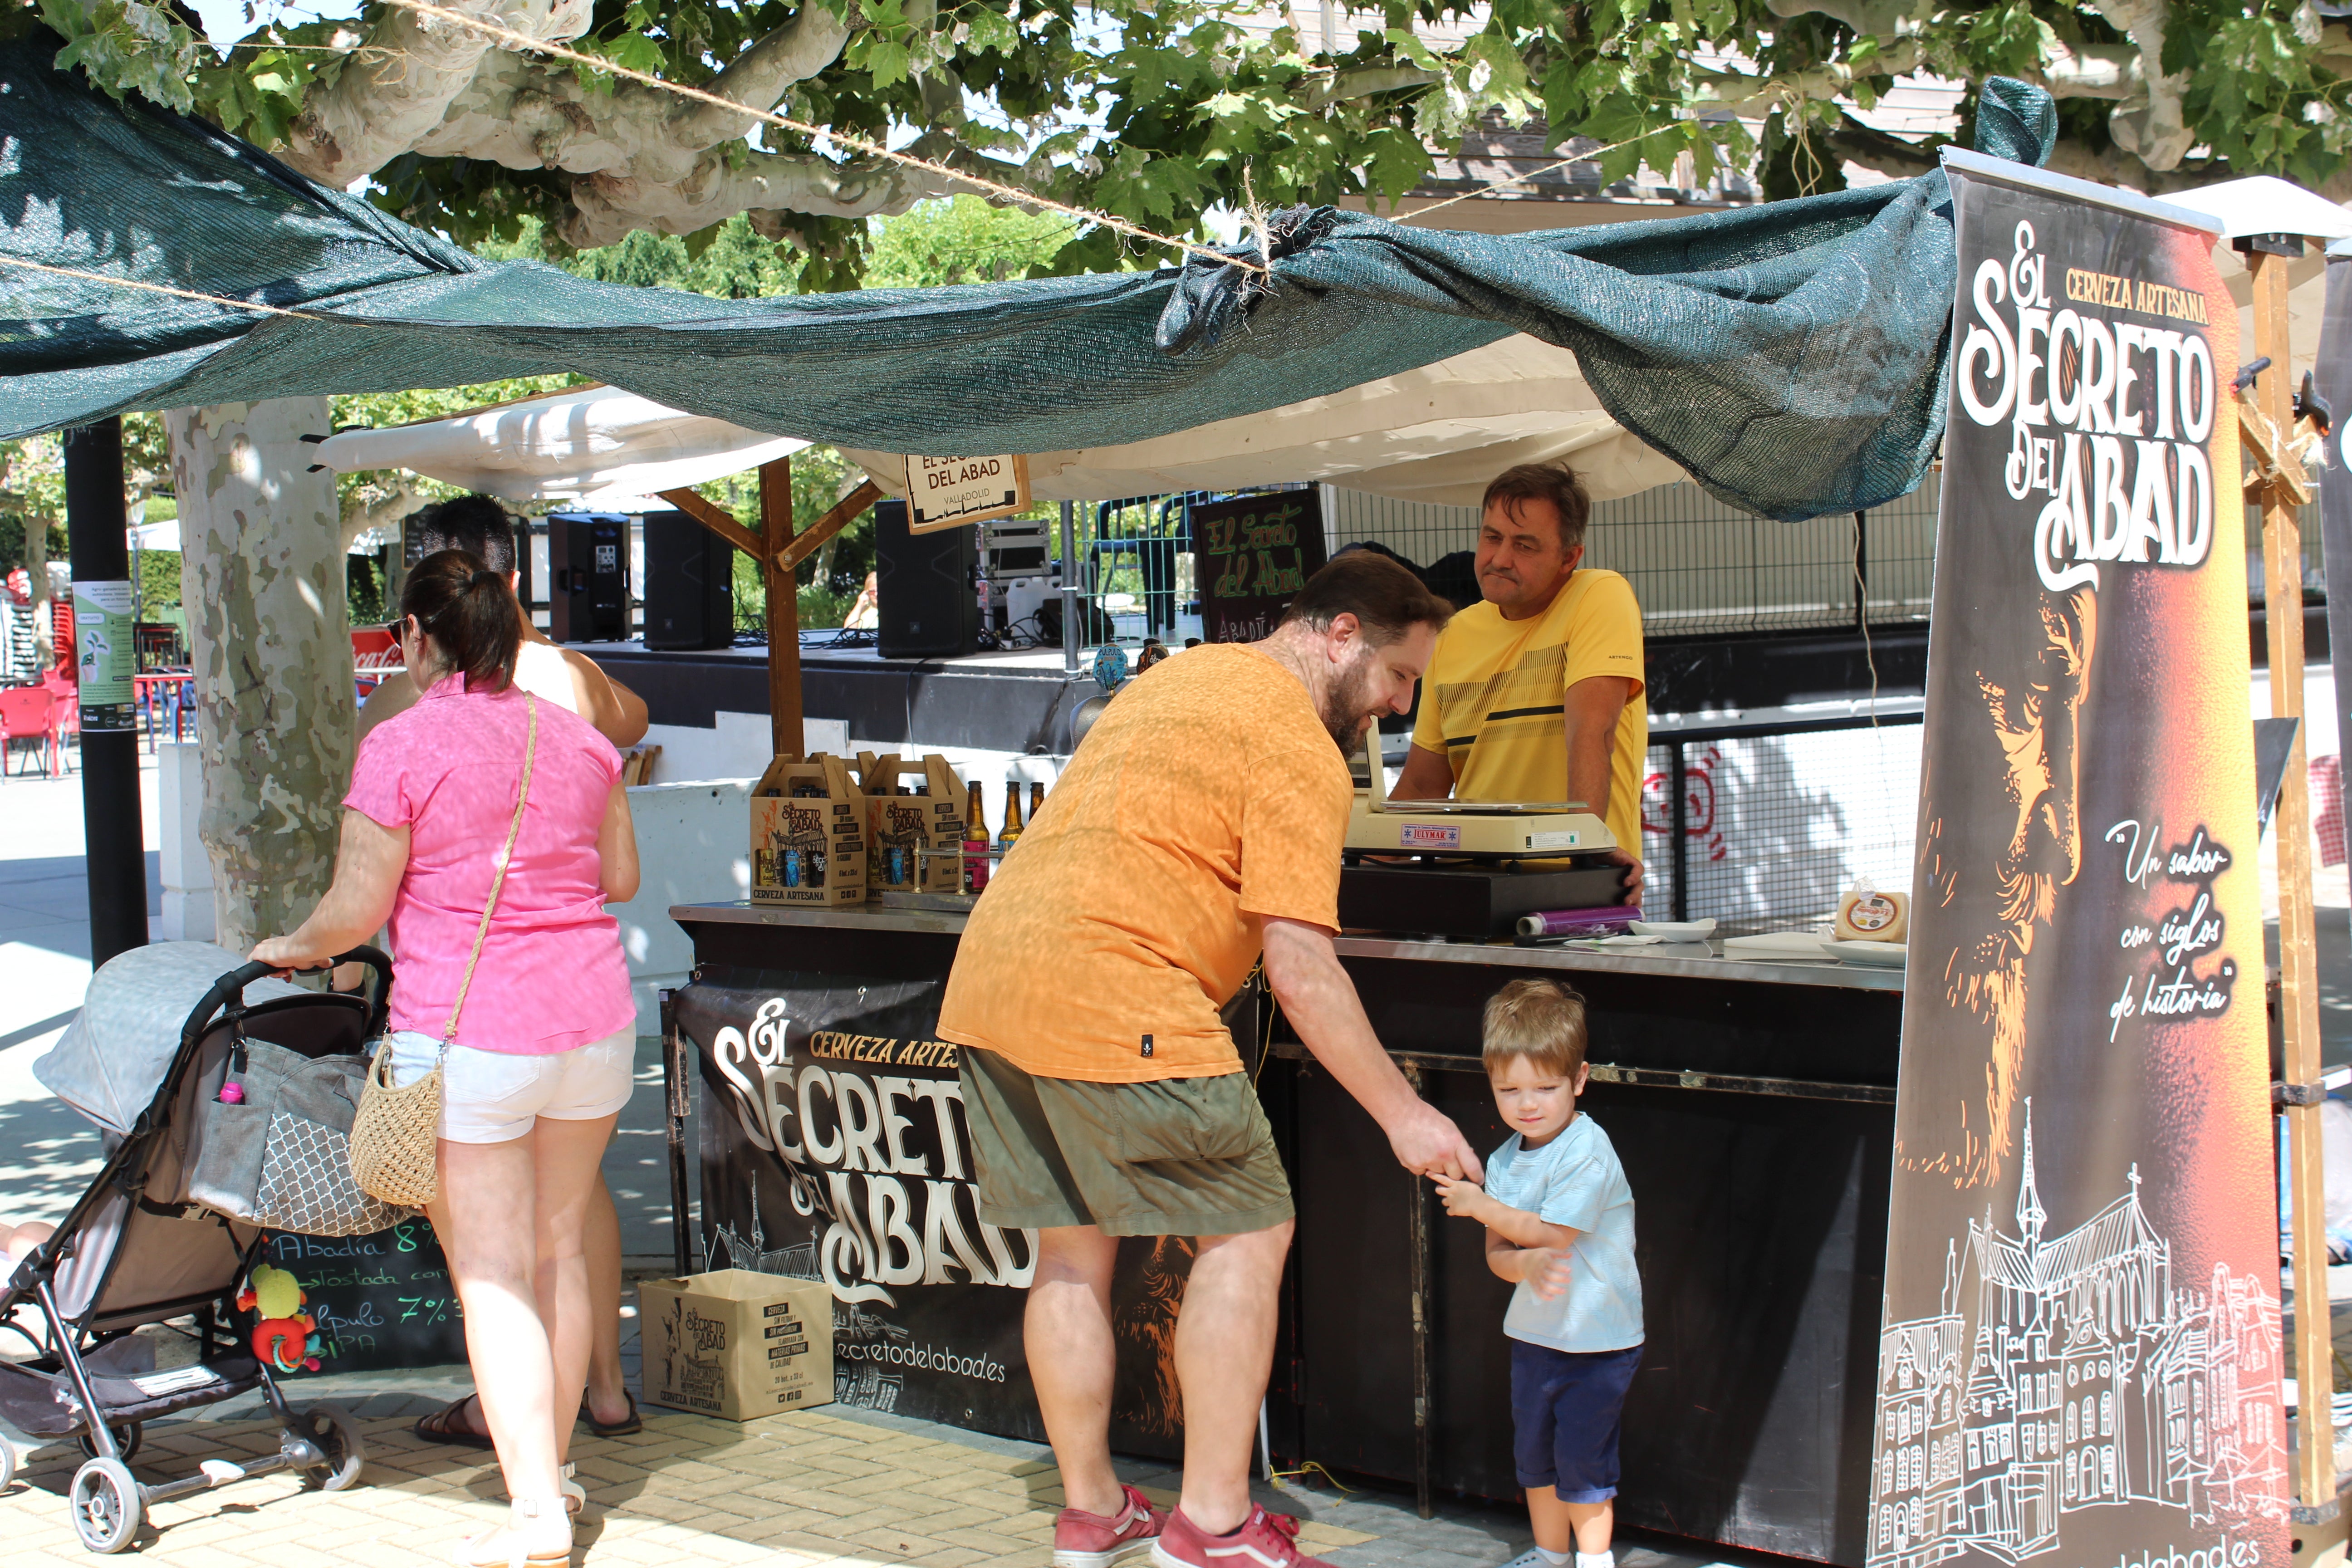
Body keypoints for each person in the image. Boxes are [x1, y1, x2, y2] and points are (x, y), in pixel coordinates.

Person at [935, 553, 1485, 1568]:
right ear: (1343, 634)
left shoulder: (1182, 674)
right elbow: (1301, 965)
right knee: (1251, 1226)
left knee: (1069, 1250)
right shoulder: (1300, 746)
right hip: (1119, 985)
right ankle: (1216, 1525)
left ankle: (1094, 1513)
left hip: (994, 974)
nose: (1400, 709)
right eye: (1400, 677)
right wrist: (1407, 1114)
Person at [254, 549, 640, 1568]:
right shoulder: (582, 740)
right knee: (556, 1255)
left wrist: (290, 946)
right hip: (595, 1023)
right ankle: (546, 1475)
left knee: (495, 1277)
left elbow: (356, 911)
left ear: (418, 637)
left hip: (475, 1037)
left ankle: (537, 1518)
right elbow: (622, 875)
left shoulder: (402, 744)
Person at [353, 496, 647, 1449]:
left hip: (472, 1005)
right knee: (571, 1213)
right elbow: (631, 722)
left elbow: (371, 833)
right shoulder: (571, 675)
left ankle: (523, 1444)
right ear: (513, 581)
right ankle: (601, 1389)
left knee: (498, 1263)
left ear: (422, 616)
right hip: (585, 1003)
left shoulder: (404, 706)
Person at [1431, 979, 1642, 1568]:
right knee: (1537, 1461)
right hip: (1534, 1340)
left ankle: (1594, 1562)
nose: (1528, 1104)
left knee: (1584, 1463)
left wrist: (1481, 1207)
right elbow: (1500, 1254)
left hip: (1598, 1342)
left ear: (1579, 1080)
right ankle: (1550, 1555)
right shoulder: (1503, 1162)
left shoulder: (1588, 1151)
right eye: (1510, 1089)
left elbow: (1555, 1234)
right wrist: (1520, 1262)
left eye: (1546, 1088)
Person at [1390, 463, 1647, 899]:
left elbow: (1593, 732)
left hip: (1570, 893)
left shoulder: (1599, 595)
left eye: (1525, 545)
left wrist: (1584, 855)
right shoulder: (1452, 634)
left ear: (1570, 558)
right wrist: (1358, 871)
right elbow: (1421, 786)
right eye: (1492, 537)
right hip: (1470, 894)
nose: (1500, 559)